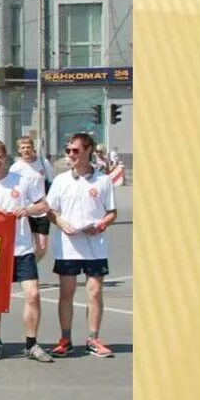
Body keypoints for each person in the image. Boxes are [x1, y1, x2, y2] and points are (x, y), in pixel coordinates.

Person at [0, 140, 53, 362]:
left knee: (33, 294)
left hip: (22, 249)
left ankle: (32, 344)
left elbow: (43, 205)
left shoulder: (22, 181)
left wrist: (28, 209)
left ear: (6, 158)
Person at [47, 133, 118, 358]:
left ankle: (93, 339)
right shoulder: (60, 180)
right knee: (66, 294)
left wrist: (101, 225)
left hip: (95, 248)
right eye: (68, 150)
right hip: (67, 247)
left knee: (94, 293)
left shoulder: (103, 180)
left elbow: (112, 212)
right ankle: (65, 339)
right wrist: (61, 223)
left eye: (75, 150)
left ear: (89, 151)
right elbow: (50, 211)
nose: (71, 154)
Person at [10, 136, 55, 262]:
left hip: (41, 210)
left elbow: (52, 182)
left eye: (28, 147)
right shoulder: (16, 167)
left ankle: (30, 267)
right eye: (23, 148)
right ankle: (25, 271)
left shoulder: (43, 163)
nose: (26, 150)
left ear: (33, 148)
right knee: (25, 247)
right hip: (23, 211)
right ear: (19, 150)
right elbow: (11, 189)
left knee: (42, 247)